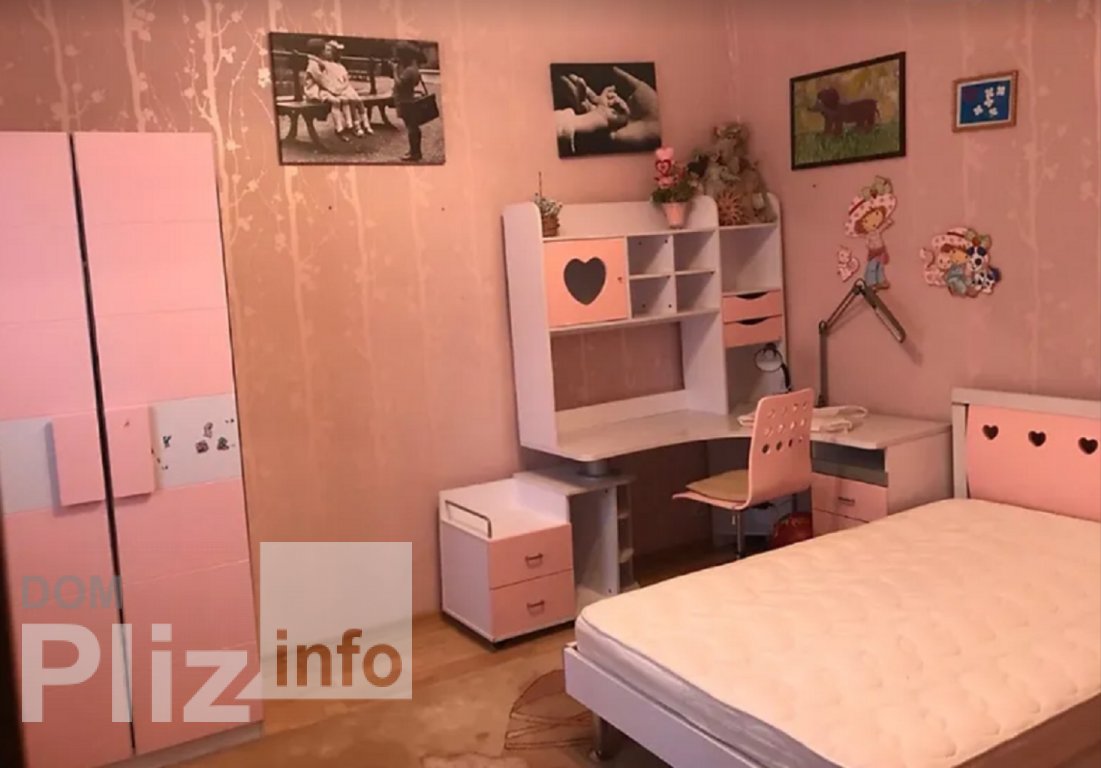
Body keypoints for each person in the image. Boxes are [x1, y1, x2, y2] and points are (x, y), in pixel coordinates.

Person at [303, 39, 372, 140]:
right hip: (314, 91)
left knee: (344, 100)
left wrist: (337, 89)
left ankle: (349, 126)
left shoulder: (318, 62)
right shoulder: (313, 65)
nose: (326, 52)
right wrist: (336, 91)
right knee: (336, 101)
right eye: (324, 49)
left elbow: (327, 80)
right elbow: (322, 81)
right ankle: (340, 129)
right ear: (319, 51)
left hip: (324, 88)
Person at [393, 43, 426, 161]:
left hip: (406, 101)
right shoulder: (413, 69)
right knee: (413, 127)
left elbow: (399, 83)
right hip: (409, 99)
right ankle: (415, 151)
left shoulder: (408, 71)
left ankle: (415, 153)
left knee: (412, 128)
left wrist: (394, 70)